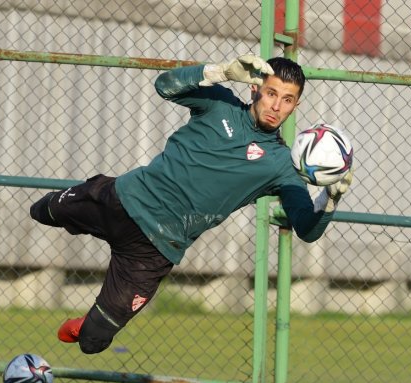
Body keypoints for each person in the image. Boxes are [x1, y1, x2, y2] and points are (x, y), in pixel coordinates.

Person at [29, 54, 353, 354]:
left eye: (287, 99)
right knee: (41, 210)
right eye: (271, 93)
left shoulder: (283, 165)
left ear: (295, 106)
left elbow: (307, 229)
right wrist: (221, 72)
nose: (276, 105)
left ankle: (87, 322)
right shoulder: (220, 103)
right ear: (255, 88)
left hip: (154, 250)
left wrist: (330, 198)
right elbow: (164, 86)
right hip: (121, 199)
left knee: (93, 341)